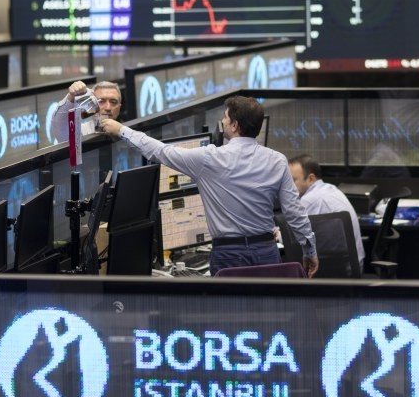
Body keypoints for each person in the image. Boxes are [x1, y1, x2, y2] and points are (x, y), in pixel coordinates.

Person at [99, 96, 319, 277]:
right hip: (267, 252)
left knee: (229, 323)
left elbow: (160, 151)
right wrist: (309, 250)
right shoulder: (277, 160)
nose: (222, 122)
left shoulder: (209, 159)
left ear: (234, 125)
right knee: (267, 318)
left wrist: (121, 130)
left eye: (225, 118)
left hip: (229, 255)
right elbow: (295, 212)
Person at [288, 154, 365, 266]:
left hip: (337, 271)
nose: (289, 186)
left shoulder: (311, 199)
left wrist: (277, 233)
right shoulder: (331, 189)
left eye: (293, 180)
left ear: (310, 178)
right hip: (354, 266)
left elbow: (290, 236)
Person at [50, 80, 122, 142]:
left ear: (119, 107)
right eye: (101, 101)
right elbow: (60, 127)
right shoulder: (81, 132)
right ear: (90, 104)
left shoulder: (128, 130)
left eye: (113, 102)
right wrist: (71, 97)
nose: (108, 108)